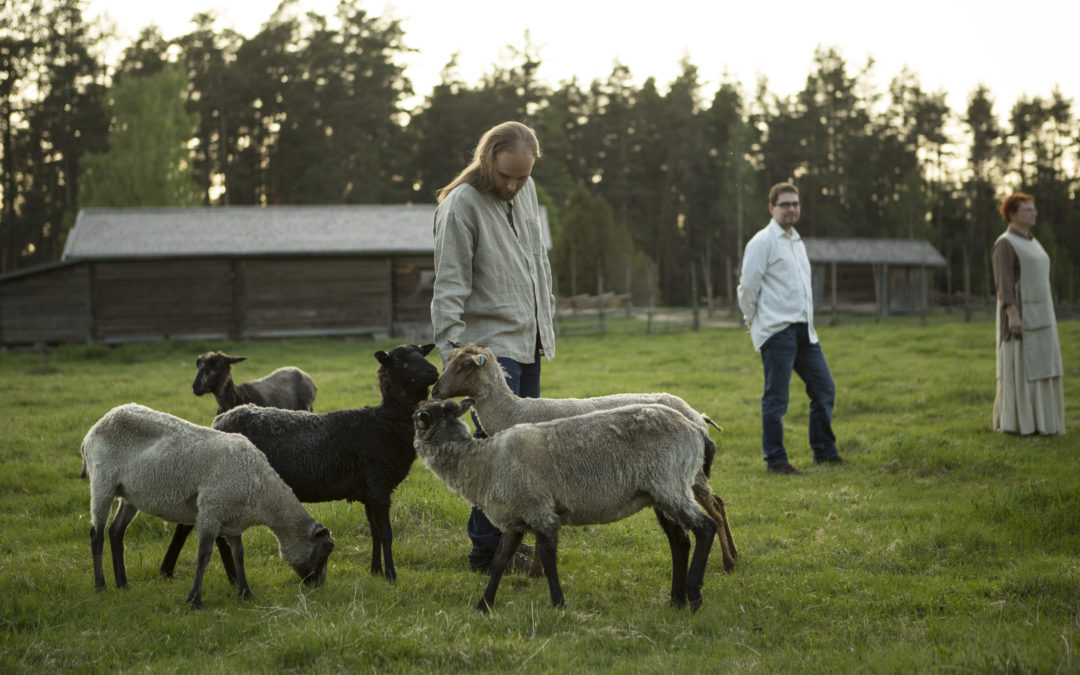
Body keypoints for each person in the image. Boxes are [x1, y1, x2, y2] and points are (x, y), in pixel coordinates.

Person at [430, 120, 557, 572]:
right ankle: (486, 553)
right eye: (506, 176)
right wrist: (453, 355)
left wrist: (545, 325)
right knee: (494, 455)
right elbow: (448, 287)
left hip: (528, 342)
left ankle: (511, 544)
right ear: (487, 161)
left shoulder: (526, 190)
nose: (513, 185)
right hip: (488, 353)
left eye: (522, 176)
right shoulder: (461, 205)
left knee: (524, 454)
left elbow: (537, 261)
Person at [737, 182, 842, 474]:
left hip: (805, 331)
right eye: (785, 204)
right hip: (777, 330)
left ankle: (824, 451)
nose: (791, 209)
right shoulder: (762, 242)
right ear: (772, 208)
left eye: (795, 203)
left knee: (824, 389)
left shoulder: (797, 242)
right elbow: (747, 288)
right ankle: (776, 460)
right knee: (777, 399)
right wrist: (752, 320)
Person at [991, 193, 1065, 435]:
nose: (1034, 213)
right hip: (1021, 319)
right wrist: (1012, 315)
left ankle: (1044, 422)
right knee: (1023, 369)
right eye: (1027, 210)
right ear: (1012, 214)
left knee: (1045, 366)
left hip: (1043, 315)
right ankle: (1019, 423)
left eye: (1034, 209)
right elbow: (1004, 283)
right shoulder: (1005, 243)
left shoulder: (1033, 242)